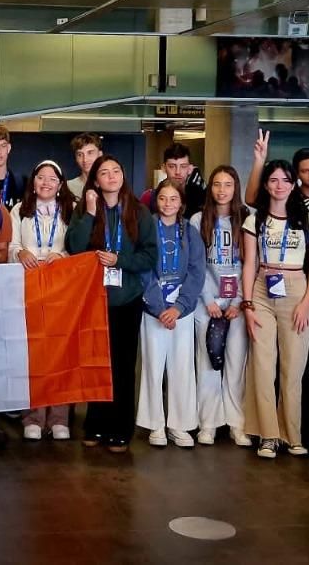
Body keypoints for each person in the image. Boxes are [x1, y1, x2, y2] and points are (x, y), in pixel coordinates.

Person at [66, 155, 156, 452]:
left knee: (122, 365)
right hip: (94, 299)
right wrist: (91, 213)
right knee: (96, 364)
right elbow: (74, 247)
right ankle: (95, 425)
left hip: (127, 299)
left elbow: (149, 256)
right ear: (95, 180)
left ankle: (121, 428)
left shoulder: (140, 213)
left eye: (116, 171)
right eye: (104, 173)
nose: (112, 176)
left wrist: (121, 260)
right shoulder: (86, 208)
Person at [239, 160, 309, 459]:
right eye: (273, 180)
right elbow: (249, 264)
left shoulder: (307, 218)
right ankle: (268, 435)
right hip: (262, 288)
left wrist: (306, 303)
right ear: (265, 185)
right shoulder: (255, 219)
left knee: (293, 368)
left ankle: (292, 434)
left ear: (293, 184)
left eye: (285, 180)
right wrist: (247, 304)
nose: (279, 185)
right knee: (262, 366)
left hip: (296, 289)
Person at [136, 179, 206, 448]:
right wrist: (159, 307)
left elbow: (197, 271)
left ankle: (180, 424)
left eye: (173, 199)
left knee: (182, 367)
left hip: (182, 310)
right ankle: (155, 424)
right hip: (154, 309)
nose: (168, 204)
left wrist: (179, 307)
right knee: (153, 366)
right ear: (156, 201)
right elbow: (143, 269)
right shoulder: (146, 229)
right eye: (163, 198)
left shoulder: (190, 232)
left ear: (182, 203)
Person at [8, 160, 74, 440]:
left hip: (61, 289)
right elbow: (11, 245)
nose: (45, 183)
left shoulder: (72, 210)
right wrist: (20, 253)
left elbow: (80, 245)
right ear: (33, 182)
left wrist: (64, 254)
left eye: (51, 179)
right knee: (33, 353)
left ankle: (59, 416)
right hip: (28, 287)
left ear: (60, 185)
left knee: (61, 352)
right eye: (40, 178)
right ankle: (33, 416)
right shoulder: (19, 211)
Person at [191, 166, 251, 446]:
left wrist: (238, 301)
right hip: (208, 303)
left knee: (235, 363)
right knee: (207, 363)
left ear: (235, 187)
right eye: (216, 184)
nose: (222, 190)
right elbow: (196, 264)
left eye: (228, 184)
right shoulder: (197, 220)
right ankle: (208, 423)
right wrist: (208, 300)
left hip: (237, 303)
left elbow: (251, 264)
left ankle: (236, 423)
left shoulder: (248, 218)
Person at [139, 142, 203, 214]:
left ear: (190, 169)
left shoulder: (201, 198)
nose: (178, 172)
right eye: (172, 166)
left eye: (183, 166)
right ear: (164, 168)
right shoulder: (149, 197)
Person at [66, 132, 104, 198]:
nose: (85, 160)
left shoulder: (110, 184)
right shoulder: (68, 187)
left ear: (100, 154)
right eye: (80, 155)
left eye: (90, 153)